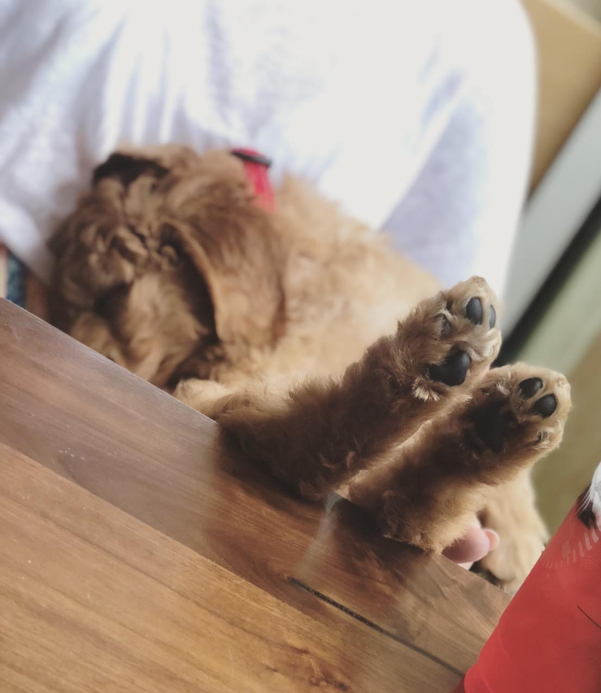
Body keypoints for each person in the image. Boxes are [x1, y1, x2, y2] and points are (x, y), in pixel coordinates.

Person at [0, 0, 536, 567]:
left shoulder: (482, 37)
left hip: (197, 406)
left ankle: (435, 493)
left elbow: (461, 318)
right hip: (57, 308)